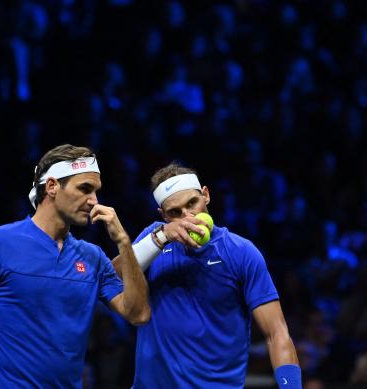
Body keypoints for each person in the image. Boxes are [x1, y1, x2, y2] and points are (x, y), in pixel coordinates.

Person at [0, 144, 150, 388]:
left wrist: (123, 242)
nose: (94, 201)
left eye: (96, 191)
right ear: (52, 187)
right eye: (84, 189)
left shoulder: (93, 257)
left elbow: (138, 313)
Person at [113, 162, 301, 388]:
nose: (188, 216)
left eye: (192, 203)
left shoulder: (241, 252)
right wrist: (160, 239)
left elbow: (277, 334)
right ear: (163, 215)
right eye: (175, 212)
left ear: (206, 195)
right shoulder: (152, 240)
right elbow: (110, 276)